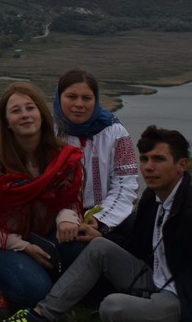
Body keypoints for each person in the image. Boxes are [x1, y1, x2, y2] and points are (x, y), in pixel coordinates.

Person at [0, 126, 192, 322]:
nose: (148, 167)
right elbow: (138, 249)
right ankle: (41, 316)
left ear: (182, 165)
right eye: (145, 159)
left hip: (182, 300)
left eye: (159, 159)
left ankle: (139, 310)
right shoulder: (153, 198)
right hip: (155, 280)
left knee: (112, 307)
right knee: (99, 248)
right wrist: (102, 238)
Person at [0, 83, 86, 311]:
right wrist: (22, 246)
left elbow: (70, 200)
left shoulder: (63, 158)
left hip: (45, 237)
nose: (24, 115)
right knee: (35, 290)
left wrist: (66, 217)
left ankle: (44, 281)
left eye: (30, 108)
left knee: (83, 249)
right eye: (16, 111)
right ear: (7, 123)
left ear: (41, 114)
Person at [54, 69, 139, 236]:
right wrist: (65, 217)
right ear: (59, 97)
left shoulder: (116, 133)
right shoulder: (47, 133)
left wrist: (100, 219)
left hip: (108, 220)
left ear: (96, 100)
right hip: (57, 220)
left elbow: (126, 184)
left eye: (87, 98)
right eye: (71, 97)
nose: (79, 104)